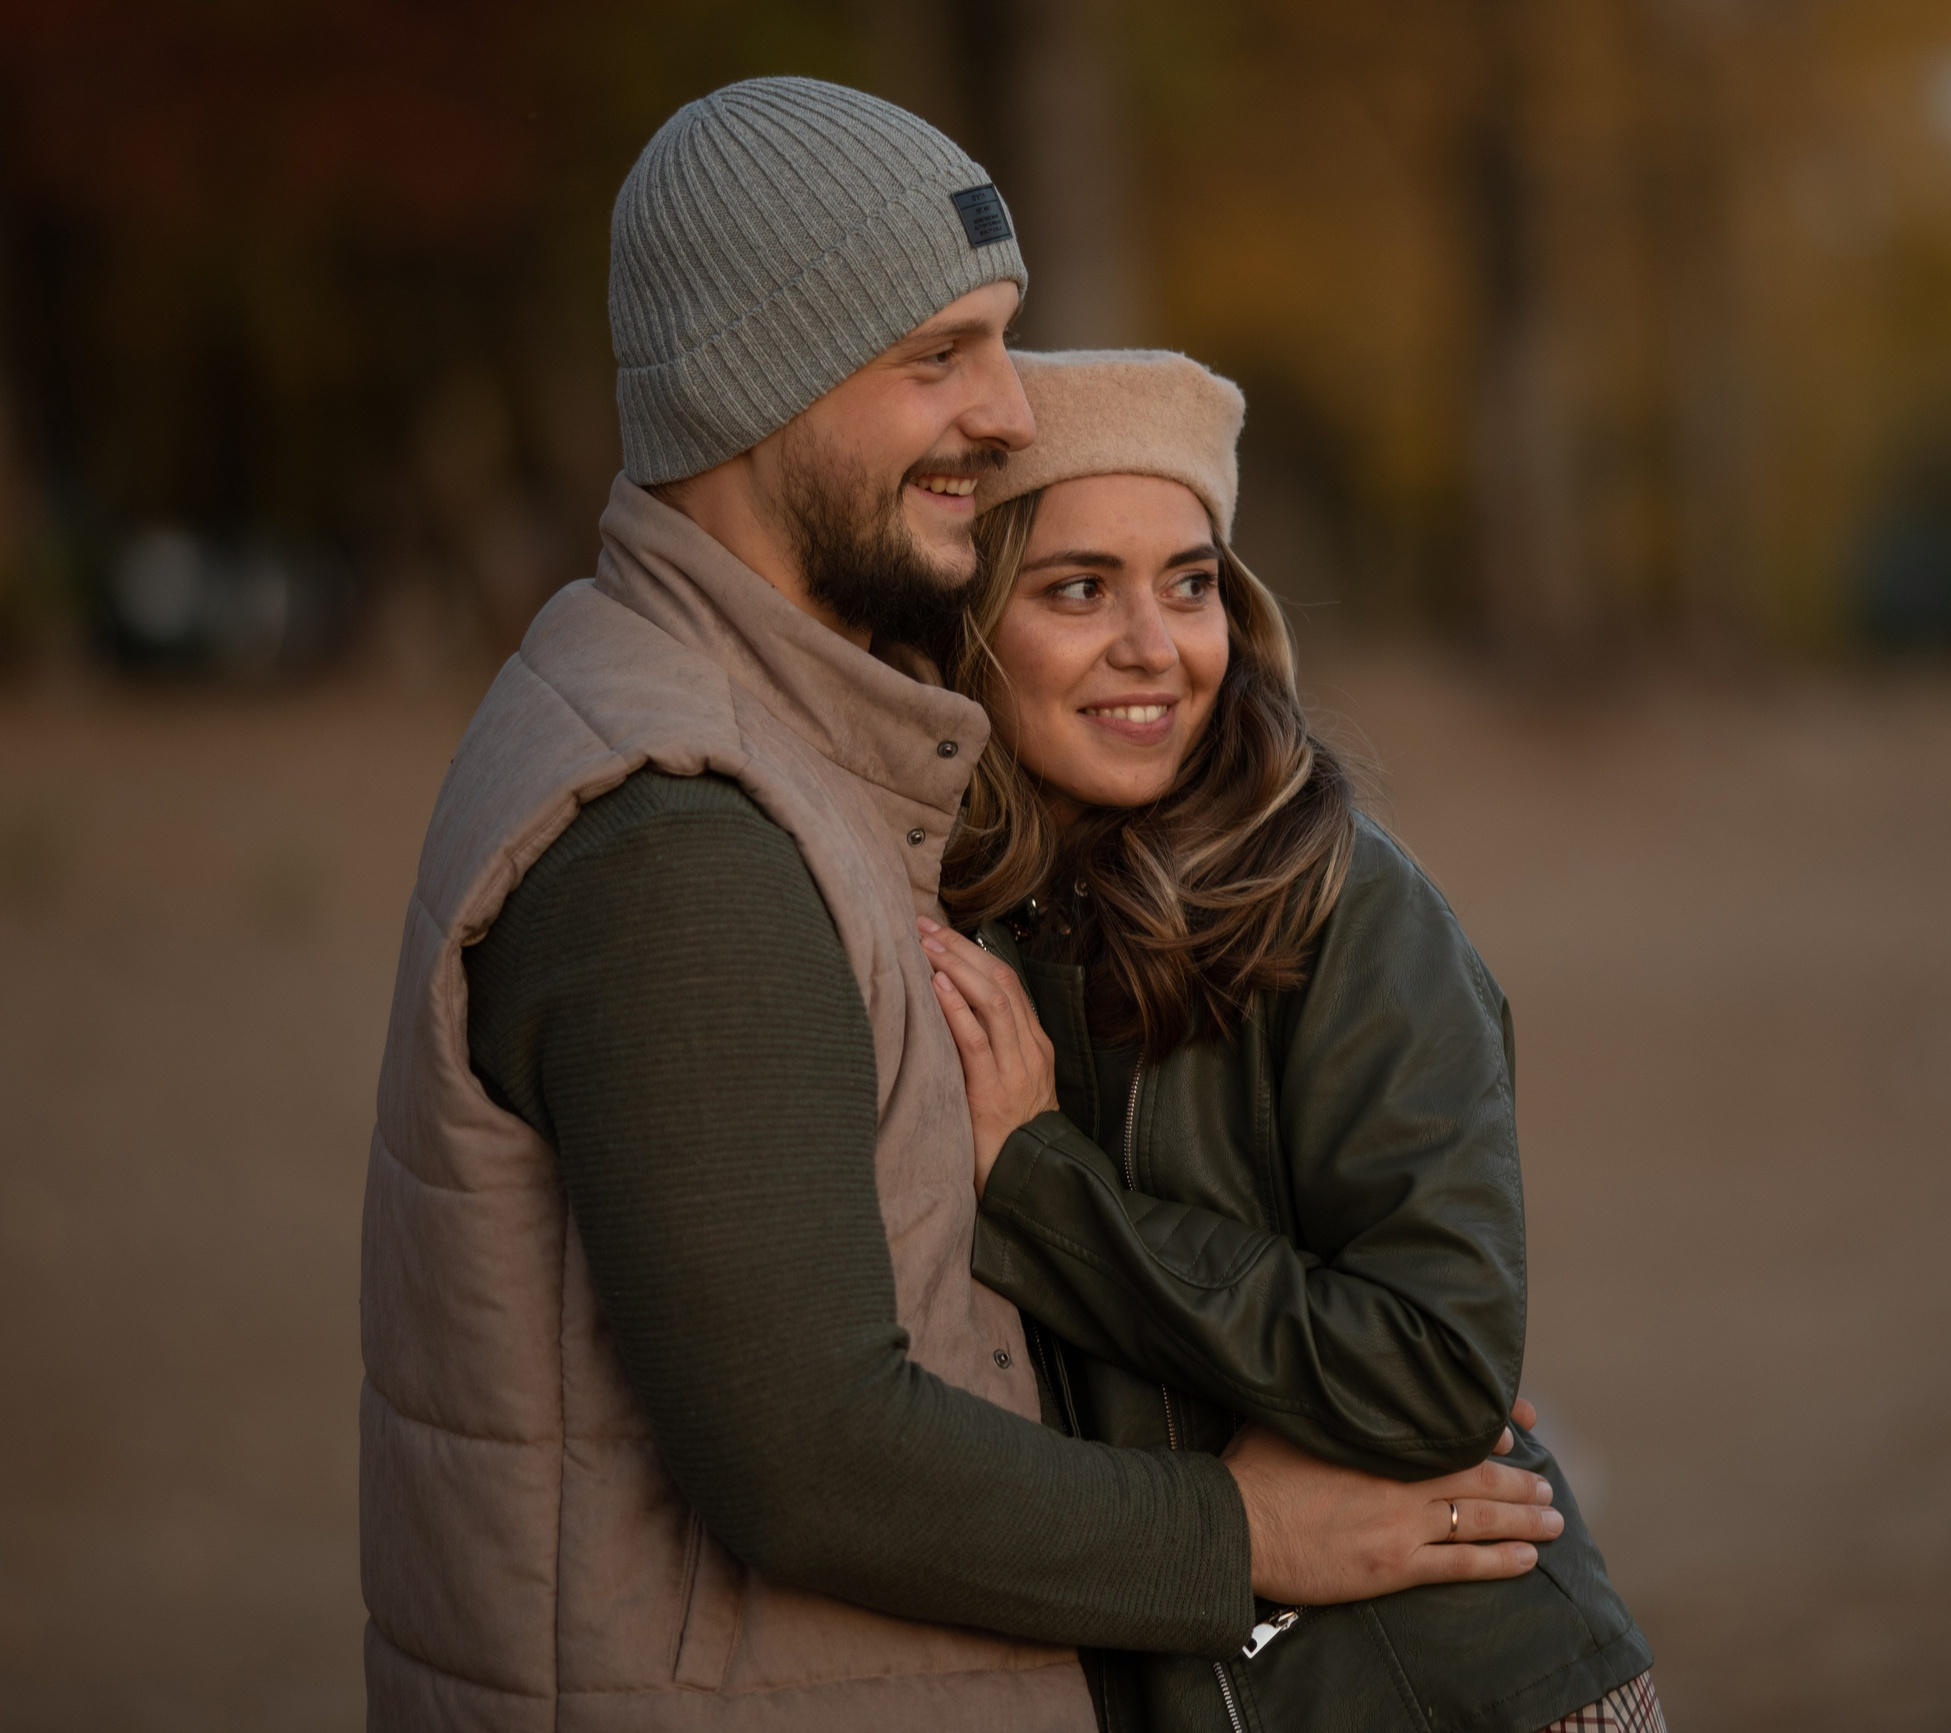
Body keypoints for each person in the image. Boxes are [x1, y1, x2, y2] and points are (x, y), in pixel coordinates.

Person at [358, 80, 1560, 1733]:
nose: (1006, 414)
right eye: (940, 356)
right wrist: (1252, 1529)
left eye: (1001, 342)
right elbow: (811, 1457)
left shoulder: (778, 740)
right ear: (750, 382)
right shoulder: (681, 829)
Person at [918, 349, 1662, 1733]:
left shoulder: (1346, 906)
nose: (1154, 643)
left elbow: (1439, 1367)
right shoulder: (966, 928)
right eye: (1080, 587)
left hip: (1468, 1698)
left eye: (1189, 583)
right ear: (967, 625)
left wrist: (1045, 1189)